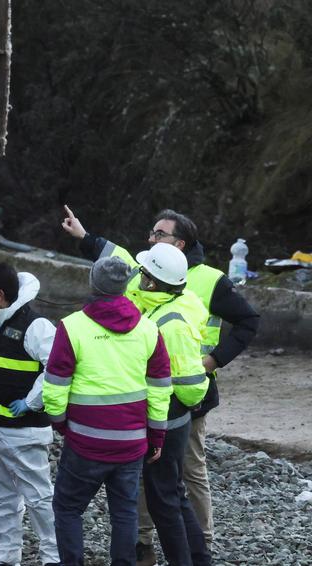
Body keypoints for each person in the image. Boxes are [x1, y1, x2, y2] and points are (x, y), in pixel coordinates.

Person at [62, 206, 260, 555]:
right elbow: (116, 256)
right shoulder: (153, 271)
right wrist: (84, 236)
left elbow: (248, 321)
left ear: (179, 244)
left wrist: (212, 361)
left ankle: (202, 545)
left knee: (187, 475)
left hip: (187, 395)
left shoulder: (210, 280)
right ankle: (145, 545)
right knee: (155, 483)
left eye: (158, 235)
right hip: (157, 396)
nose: (150, 239)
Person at [43, 256, 172, 566]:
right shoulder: (148, 329)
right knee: (125, 511)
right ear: (126, 285)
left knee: (68, 507)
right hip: (130, 442)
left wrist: (61, 423)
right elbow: (160, 388)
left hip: (85, 442)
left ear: (92, 284)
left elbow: (55, 386)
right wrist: (156, 435)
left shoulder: (72, 326)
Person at [0, 263, 60, 566]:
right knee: (1, 499)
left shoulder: (36, 326)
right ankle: (4, 558)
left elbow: (57, 369)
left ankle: (55, 557)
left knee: (39, 498)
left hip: (23, 430)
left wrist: (31, 402)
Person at [130, 244, 211, 566]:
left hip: (168, 416)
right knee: (172, 495)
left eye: (143, 273)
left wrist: (164, 417)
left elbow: (190, 386)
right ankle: (198, 559)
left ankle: (188, 560)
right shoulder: (173, 305)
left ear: (153, 282)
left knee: (165, 499)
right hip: (172, 415)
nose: (138, 277)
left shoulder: (170, 322)